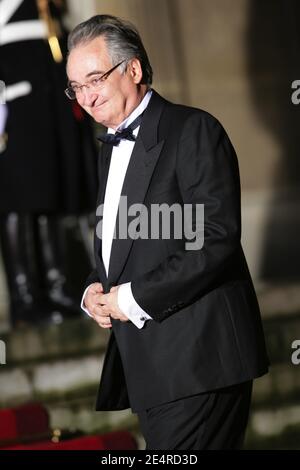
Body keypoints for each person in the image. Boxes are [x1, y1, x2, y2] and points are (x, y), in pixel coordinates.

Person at [66, 14, 269, 450]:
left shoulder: (193, 130)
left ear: (133, 70)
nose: (85, 96)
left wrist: (130, 297)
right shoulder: (109, 147)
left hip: (200, 360)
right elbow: (121, 244)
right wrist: (93, 290)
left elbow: (213, 240)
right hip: (152, 369)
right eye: (76, 87)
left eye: (94, 79)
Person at [0, 0, 98, 327]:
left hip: (48, 99)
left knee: (51, 189)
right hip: (13, 104)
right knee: (17, 201)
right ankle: (24, 298)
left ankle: (56, 286)